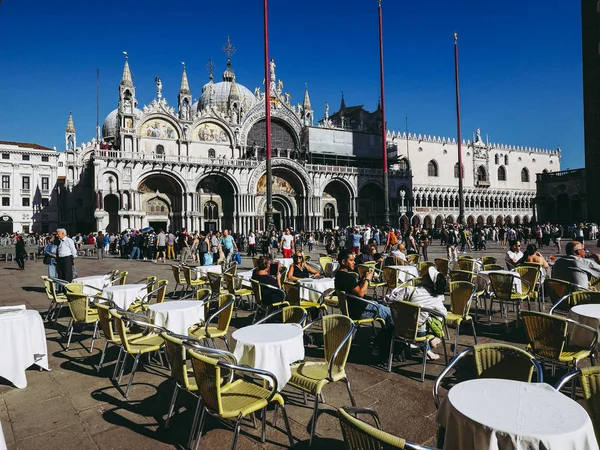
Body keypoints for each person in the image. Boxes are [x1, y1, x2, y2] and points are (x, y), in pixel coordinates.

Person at [387, 266, 447, 360]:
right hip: (419, 333)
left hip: (400, 329)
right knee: (431, 320)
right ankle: (431, 340)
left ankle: (429, 346)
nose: (424, 275)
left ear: (429, 281)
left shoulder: (410, 290)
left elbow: (391, 300)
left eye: (427, 276)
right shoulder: (435, 299)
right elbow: (443, 315)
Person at [334, 249, 393, 329]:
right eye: (351, 260)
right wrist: (367, 279)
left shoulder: (338, 275)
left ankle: (386, 332)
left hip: (352, 308)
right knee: (391, 313)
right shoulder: (348, 277)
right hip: (360, 310)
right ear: (344, 262)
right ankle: (391, 336)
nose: (354, 262)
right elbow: (361, 293)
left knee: (383, 305)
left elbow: (354, 289)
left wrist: (362, 279)